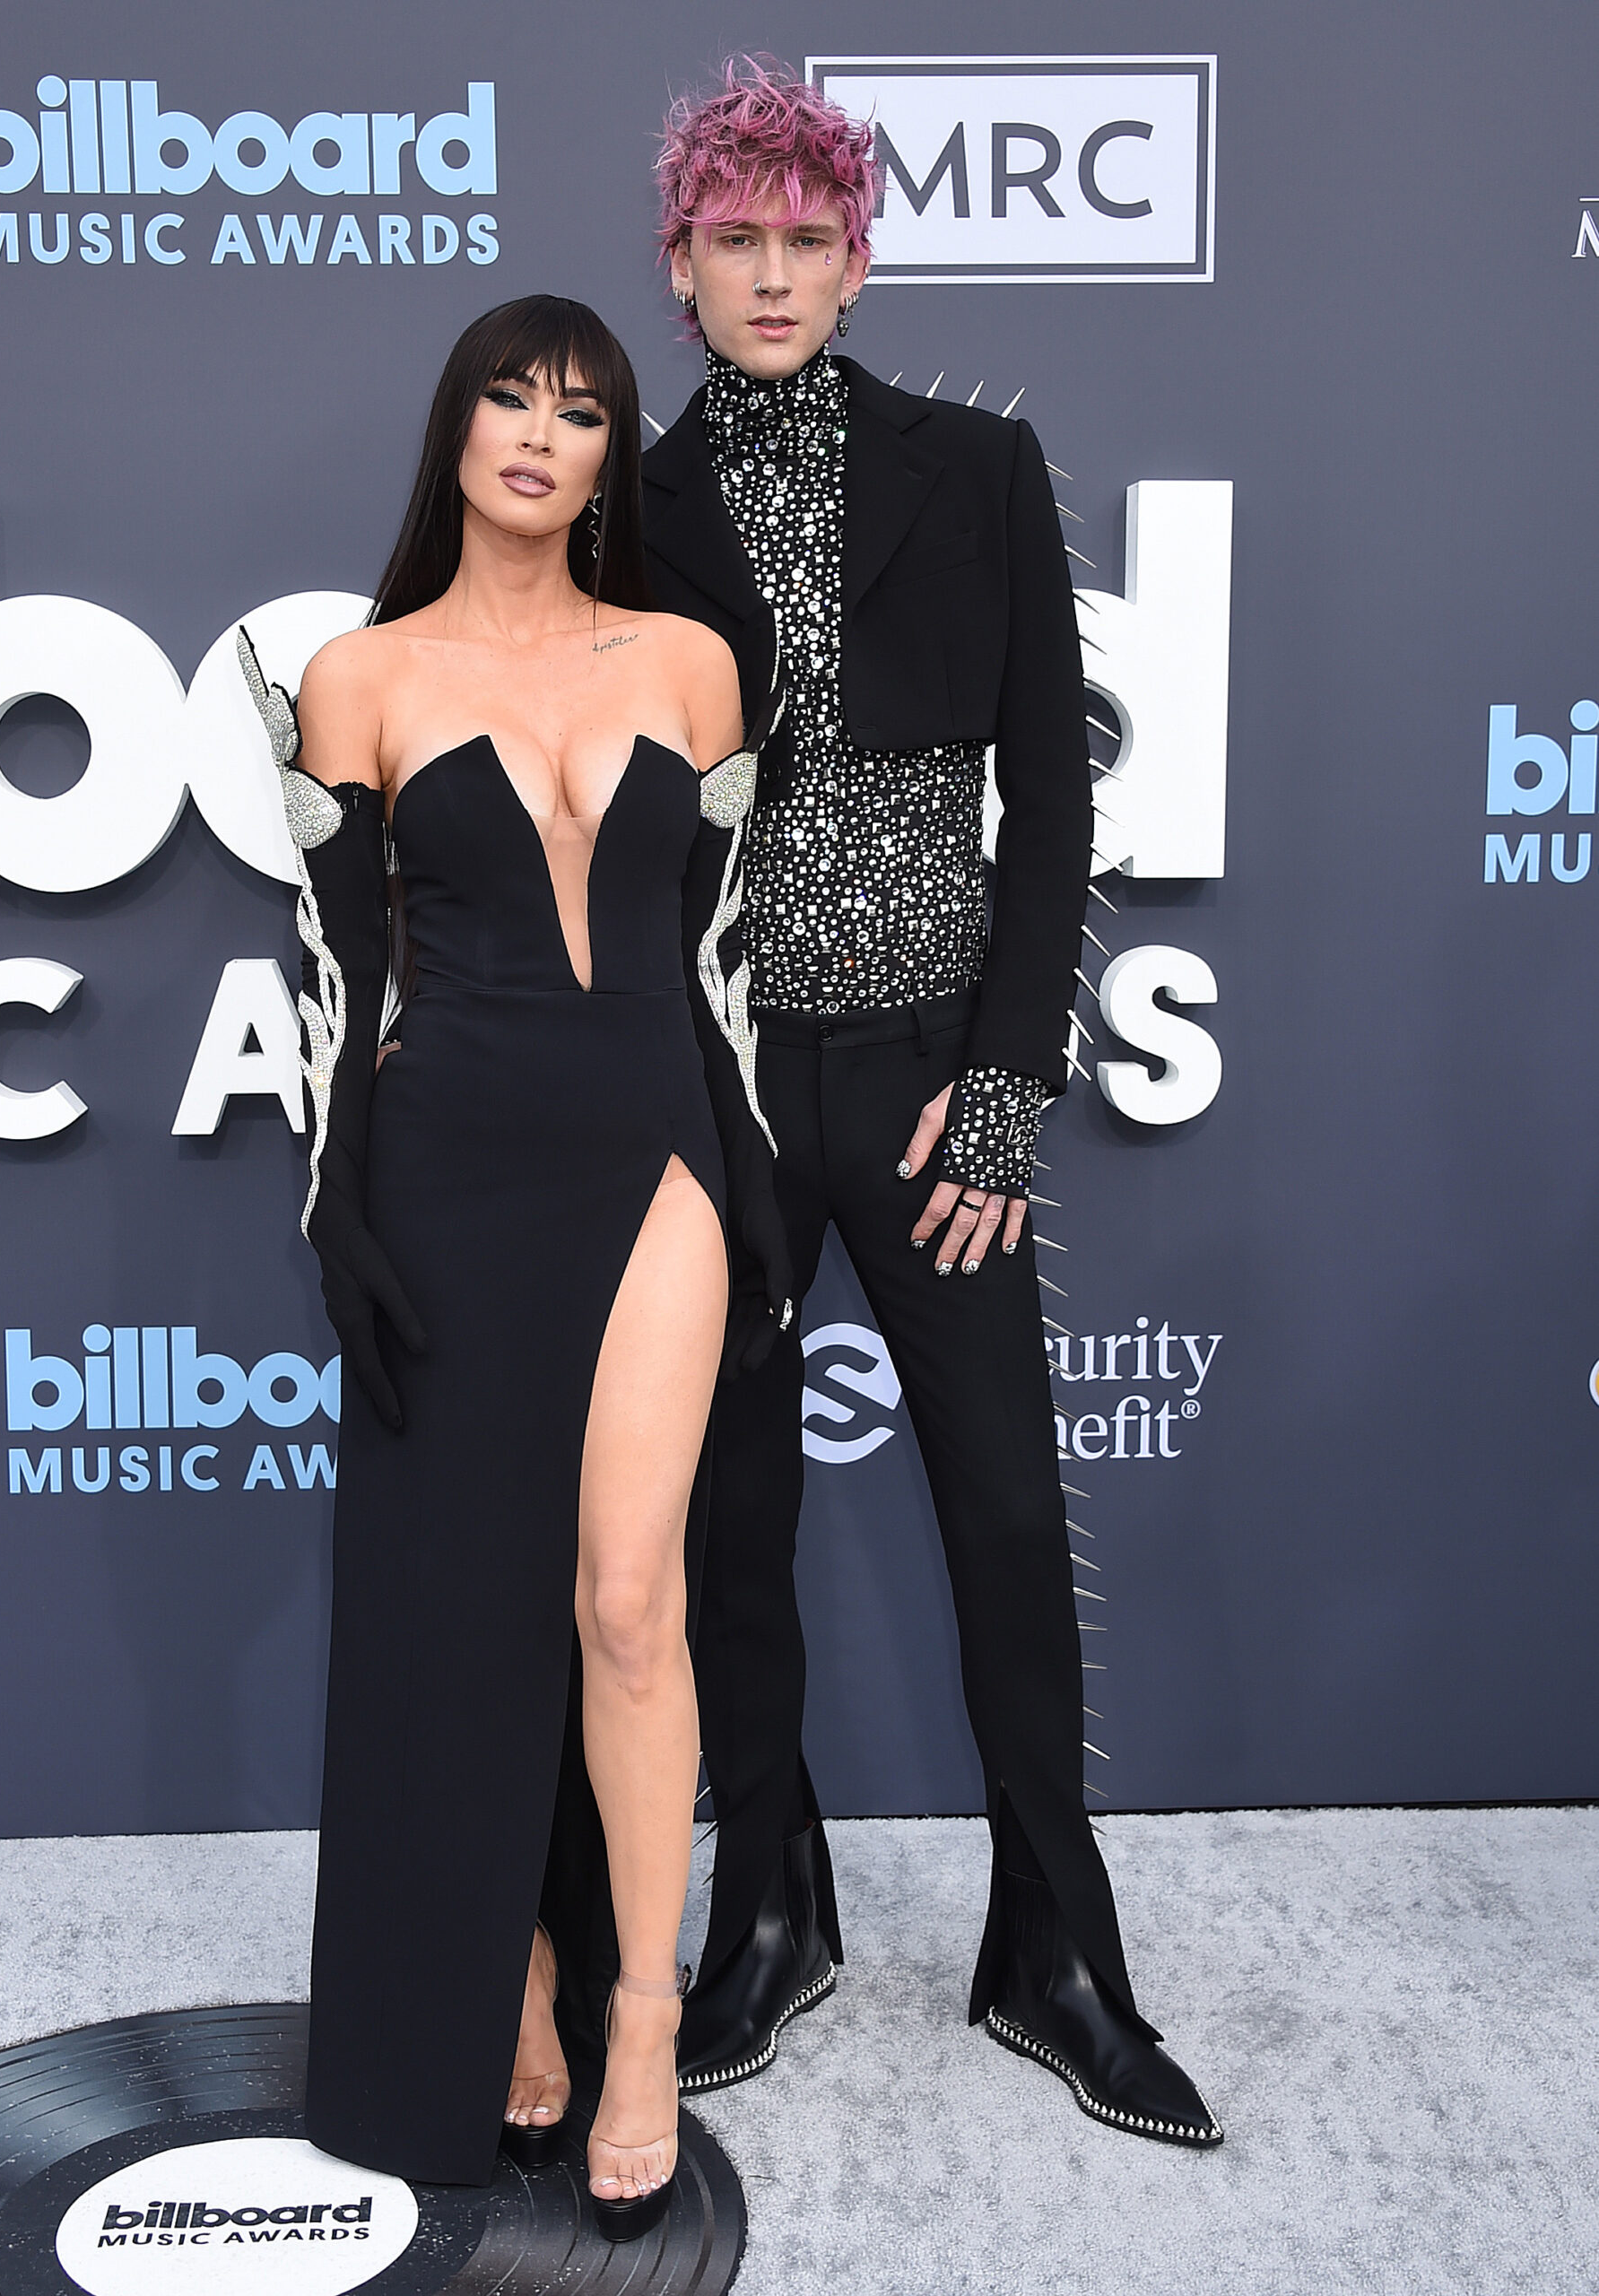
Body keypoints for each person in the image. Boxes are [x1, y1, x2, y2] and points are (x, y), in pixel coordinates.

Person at [639, 61, 1221, 2146]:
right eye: (736, 242)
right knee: (728, 1517)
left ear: (857, 260)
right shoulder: (625, 496)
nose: (773, 273)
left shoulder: (975, 465)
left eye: (808, 241)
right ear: (680, 268)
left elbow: (1050, 796)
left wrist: (997, 1094)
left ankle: (1053, 1946)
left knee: (996, 1501)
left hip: (917, 1079)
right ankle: (767, 1900)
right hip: (714, 1086)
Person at [239, 293, 792, 2233]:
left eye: (580, 408)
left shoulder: (695, 664)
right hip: (448, 1160)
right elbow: (335, 987)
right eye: (509, 396)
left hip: (649, 1151)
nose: (540, 434)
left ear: (603, 452)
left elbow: (720, 970)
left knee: (627, 1600)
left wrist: (753, 1182)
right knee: (465, 1611)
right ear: (456, 428)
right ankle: (516, 1973)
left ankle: (641, 2005)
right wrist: (336, 1203)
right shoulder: (354, 676)